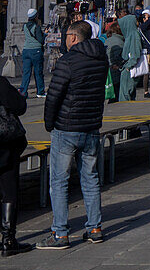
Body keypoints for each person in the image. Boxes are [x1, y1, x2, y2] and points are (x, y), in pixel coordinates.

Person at [36, 20, 109, 249]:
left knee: (59, 181)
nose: (64, 39)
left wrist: (49, 123)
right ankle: (94, 228)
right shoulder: (101, 59)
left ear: (74, 37)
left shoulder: (67, 61)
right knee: (90, 179)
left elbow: (54, 96)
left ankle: (60, 233)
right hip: (91, 126)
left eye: (66, 35)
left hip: (66, 127)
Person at [0, 74, 32, 255]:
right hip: (4, 145)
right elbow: (19, 106)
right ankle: (8, 239)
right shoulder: (1, 83)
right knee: (9, 189)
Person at [20, 8, 45, 99]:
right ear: (35, 16)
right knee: (38, 72)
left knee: (26, 73)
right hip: (36, 51)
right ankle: (40, 91)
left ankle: (23, 92)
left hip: (26, 50)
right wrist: (45, 34)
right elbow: (41, 40)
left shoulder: (25, 26)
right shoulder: (37, 27)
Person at [118, 11, 142, 101]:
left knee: (125, 93)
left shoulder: (133, 35)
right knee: (129, 92)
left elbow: (135, 53)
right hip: (128, 67)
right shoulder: (131, 35)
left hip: (129, 69)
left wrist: (128, 66)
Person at [103, 19, 124, 102]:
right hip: (115, 69)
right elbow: (118, 57)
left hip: (108, 68)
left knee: (112, 94)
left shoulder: (108, 40)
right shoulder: (119, 42)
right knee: (116, 93)